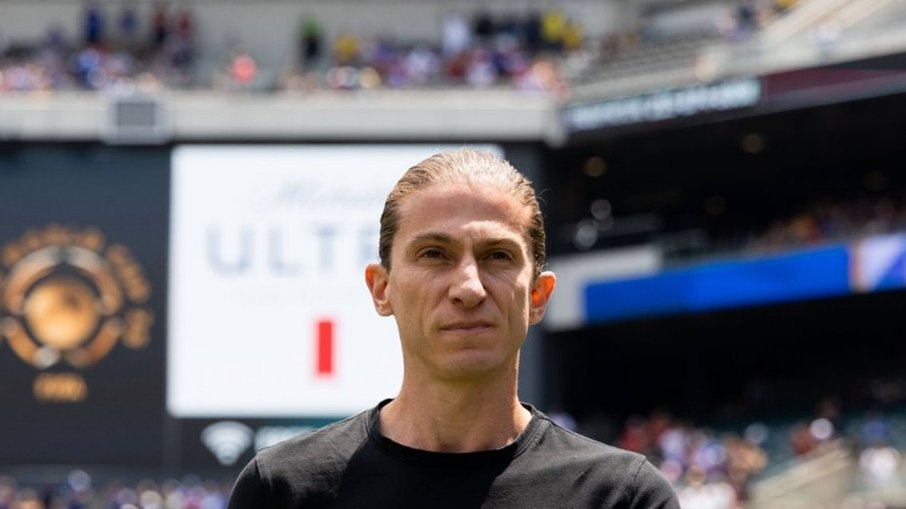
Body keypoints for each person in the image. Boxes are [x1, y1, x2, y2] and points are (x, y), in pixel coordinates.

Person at [226, 148, 680, 508]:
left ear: (537, 296)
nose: (468, 288)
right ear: (381, 289)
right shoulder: (283, 491)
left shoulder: (623, 497)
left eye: (497, 256)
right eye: (433, 254)